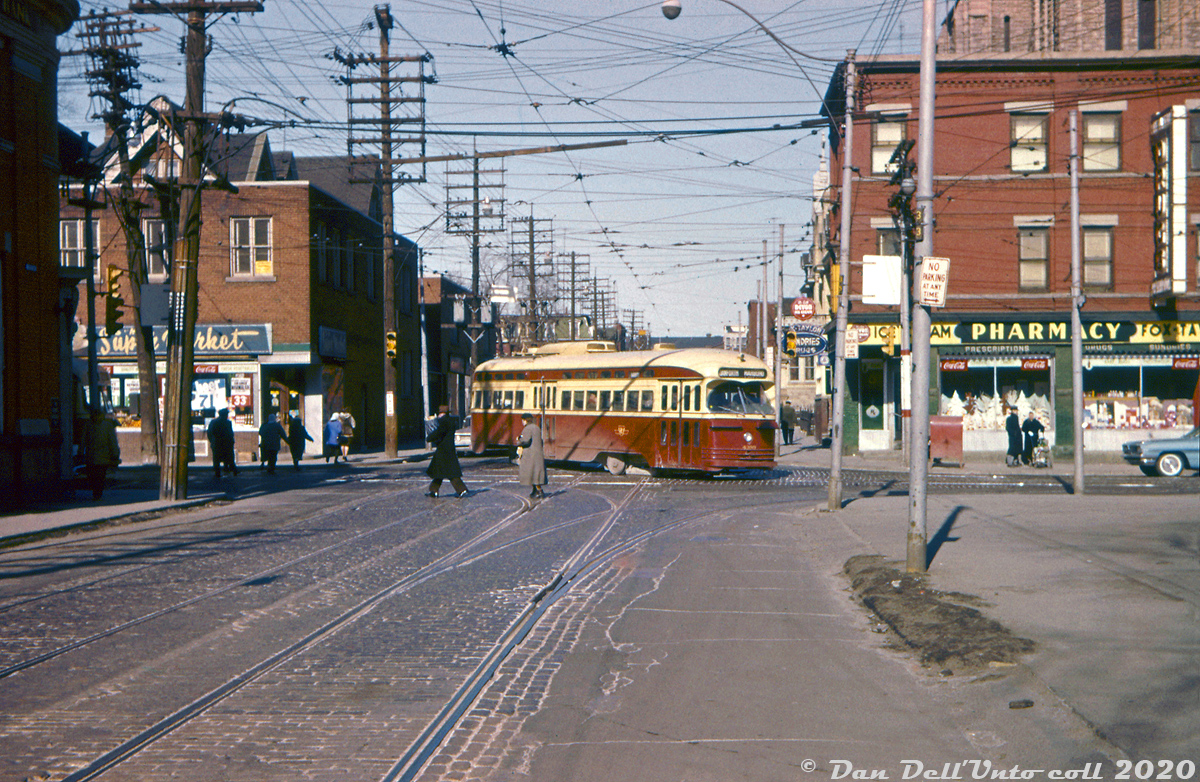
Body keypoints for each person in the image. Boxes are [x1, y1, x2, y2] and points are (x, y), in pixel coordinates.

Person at [426, 405, 467, 498]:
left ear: (440, 413)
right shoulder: (450, 421)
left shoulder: (444, 422)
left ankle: (461, 490)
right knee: (440, 471)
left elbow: (439, 433)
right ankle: (433, 490)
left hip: (443, 450)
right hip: (448, 449)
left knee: (449, 472)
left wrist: (429, 437)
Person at [82, 409, 120, 499]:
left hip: (95, 456)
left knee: (96, 475)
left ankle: (97, 493)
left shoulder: (89, 425)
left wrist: (81, 452)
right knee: (98, 476)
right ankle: (97, 492)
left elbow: (83, 440)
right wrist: (115, 453)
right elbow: (112, 441)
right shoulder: (106, 425)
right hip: (100, 456)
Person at [517, 412, 548, 499]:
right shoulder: (536, 427)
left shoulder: (527, 429)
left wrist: (519, 440)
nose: (522, 422)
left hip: (530, 455)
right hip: (537, 454)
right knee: (536, 473)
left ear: (525, 420)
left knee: (531, 473)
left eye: (522, 420)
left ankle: (539, 491)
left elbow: (525, 441)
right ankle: (535, 491)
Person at [207, 407, 238, 478]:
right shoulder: (227, 423)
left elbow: (210, 432)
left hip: (217, 443)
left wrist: (212, 441)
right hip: (225, 443)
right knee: (229, 457)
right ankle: (232, 470)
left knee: (217, 458)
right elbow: (230, 433)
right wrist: (231, 441)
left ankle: (217, 472)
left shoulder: (214, 422)